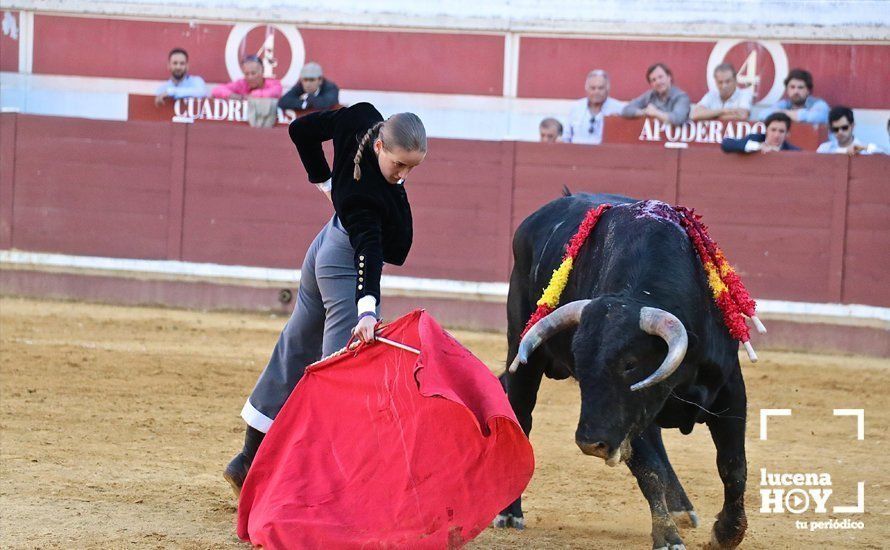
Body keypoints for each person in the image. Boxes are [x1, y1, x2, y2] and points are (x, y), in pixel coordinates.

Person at [224, 103, 428, 496]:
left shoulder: (362, 116)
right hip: (344, 261)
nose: (403, 175)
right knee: (340, 370)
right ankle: (312, 483)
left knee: (297, 345)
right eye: (400, 165)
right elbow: (368, 249)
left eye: (412, 168)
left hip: (324, 245)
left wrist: (325, 183)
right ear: (381, 145)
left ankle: (248, 460)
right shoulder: (364, 195)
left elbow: (301, 130)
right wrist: (367, 310)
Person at [563, 70, 625, 144]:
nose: (596, 92)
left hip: (605, 153)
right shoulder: (576, 107)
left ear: (607, 89)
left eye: (600, 88)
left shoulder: (619, 109)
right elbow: (566, 137)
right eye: (593, 88)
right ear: (586, 89)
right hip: (577, 152)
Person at [621, 62, 691, 126]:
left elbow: (677, 118)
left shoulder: (681, 97)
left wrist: (656, 113)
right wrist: (644, 112)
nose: (658, 82)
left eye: (660, 77)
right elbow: (626, 110)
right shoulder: (650, 95)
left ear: (669, 77)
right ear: (651, 84)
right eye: (653, 80)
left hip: (675, 138)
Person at [760, 68, 829, 124]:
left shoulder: (818, 104)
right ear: (787, 90)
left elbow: (818, 117)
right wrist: (790, 114)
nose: (796, 91)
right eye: (792, 87)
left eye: (800, 87)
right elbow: (763, 115)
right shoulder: (784, 104)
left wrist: (783, 114)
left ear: (808, 91)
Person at [721, 112, 800, 153]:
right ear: (766, 130)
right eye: (773, 130)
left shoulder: (793, 151)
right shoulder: (756, 139)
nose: (776, 135)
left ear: (787, 133)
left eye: (781, 131)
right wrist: (758, 146)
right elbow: (726, 143)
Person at [211, 55, 283, 100]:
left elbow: (275, 92)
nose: (250, 77)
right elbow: (216, 90)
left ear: (262, 71)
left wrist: (252, 96)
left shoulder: (274, 83)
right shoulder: (241, 83)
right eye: (246, 74)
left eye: (253, 73)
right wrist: (233, 96)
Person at [817, 106, 882, 155]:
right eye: (835, 129)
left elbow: (885, 155)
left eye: (844, 127)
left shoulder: (862, 149)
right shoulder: (824, 149)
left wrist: (864, 148)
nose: (840, 132)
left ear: (852, 126)